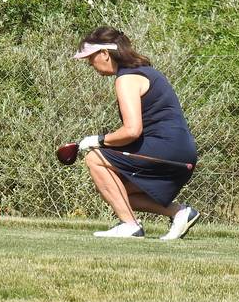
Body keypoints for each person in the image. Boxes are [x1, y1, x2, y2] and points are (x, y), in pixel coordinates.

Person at [73, 26, 200, 239]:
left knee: (95, 159)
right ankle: (180, 213)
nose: (89, 63)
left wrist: (99, 141)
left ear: (104, 54)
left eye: (91, 57)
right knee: (118, 191)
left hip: (166, 150)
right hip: (182, 152)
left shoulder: (127, 79)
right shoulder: (147, 72)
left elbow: (132, 131)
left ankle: (129, 225)